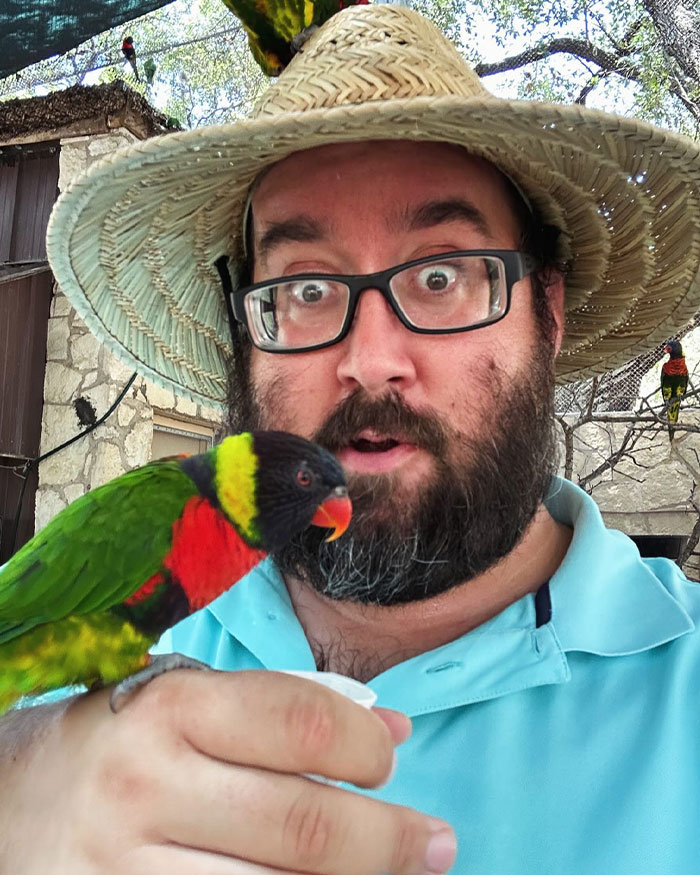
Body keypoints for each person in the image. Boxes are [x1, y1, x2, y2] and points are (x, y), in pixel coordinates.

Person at [3, 6, 700, 873]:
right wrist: (18, 776)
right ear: (242, 331)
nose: (370, 362)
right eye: (304, 289)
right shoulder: (159, 588)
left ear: (547, 312)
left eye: (443, 275)